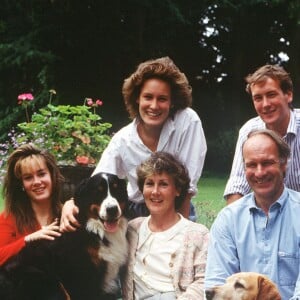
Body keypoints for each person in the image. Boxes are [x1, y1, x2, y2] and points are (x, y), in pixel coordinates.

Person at [60, 56, 207, 231]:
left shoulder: (188, 121)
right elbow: (96, 181)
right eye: (148, 97)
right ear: (137, 98)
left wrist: (181, 233)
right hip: (137, 212)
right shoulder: (123, 140)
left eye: (162, 99)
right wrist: (70, 204)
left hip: (177, 207)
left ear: (172, 101)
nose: (154, 105)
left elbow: (186, 189)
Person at [205, 129, 300, 299]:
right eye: (251, 165)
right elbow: (216, 288)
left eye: (267, 163)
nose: (259, 172)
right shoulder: (228, 220)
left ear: (284, 163)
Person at [121, 151, 209, 300]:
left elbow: (204, 282)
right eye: (149, 184)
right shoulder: (132, 229)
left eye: (163, 184)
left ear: (177, 190)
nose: (155, 192)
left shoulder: (198, 234)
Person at [224, 64, 300, 204]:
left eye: (271, 95)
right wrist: (234, 222)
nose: (265, 104)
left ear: (288, 95)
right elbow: (237, 185)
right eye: (258, 98)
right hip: (268, 214)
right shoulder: (249, 131)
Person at [0, 143, 64, 265]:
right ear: (22, 185)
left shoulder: (66, 215)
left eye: (41, 174)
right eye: (28, 177)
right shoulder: (9, 218)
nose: (37, 182)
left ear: (52, 175)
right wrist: (28, 239)